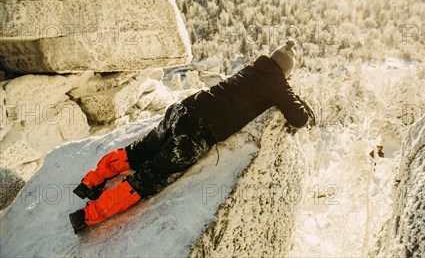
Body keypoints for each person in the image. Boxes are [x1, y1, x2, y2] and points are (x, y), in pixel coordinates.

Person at [69, 39, 315, 234]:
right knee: (150, 177)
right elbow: (299, 118)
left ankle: (90, 181)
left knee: (139, 152)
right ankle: (88, 216)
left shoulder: (254, 67)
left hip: (181, 110)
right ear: (285, 72)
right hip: (196, 133)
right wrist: (295, 96)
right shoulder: (277, 84)